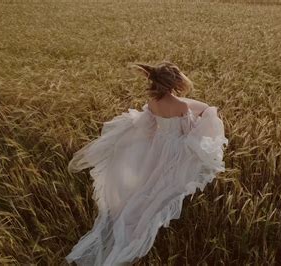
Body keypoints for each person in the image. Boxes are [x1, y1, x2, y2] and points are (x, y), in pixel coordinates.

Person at [65, 61, 228, 265]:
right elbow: (188, 134)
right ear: (174, 82)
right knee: (166, 184)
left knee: (149, 182)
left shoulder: (152, 103)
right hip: (176, 148)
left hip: (159, 145)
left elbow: (149, 129)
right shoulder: (182, 105)